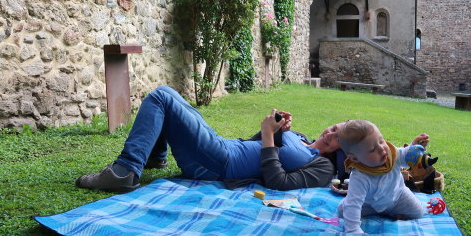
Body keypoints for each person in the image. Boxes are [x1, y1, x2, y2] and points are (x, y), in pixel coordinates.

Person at [76, 86, 345, 192]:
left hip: (220, 163)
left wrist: (268, 137)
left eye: (337, 138)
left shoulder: (322, 168)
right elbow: (257, 145)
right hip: (223, 147)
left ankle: (124, 172)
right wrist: (275, 129)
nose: (329, 133)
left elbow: (278, 181)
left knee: (161, 98)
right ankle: (154, 157)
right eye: (334, 127)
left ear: (341, 152)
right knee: (168, 94)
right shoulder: (302, 138)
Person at [335, 120, 428, 234]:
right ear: (354, 158)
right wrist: (353, 230)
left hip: (398, 196)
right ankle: (348, 202)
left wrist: (414, 148)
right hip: (369, 204)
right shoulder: (359, 176)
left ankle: (393, 213)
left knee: (418, 212)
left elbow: (405, 157)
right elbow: (354, 204)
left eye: (381, 141)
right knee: (344, 210)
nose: (382, 148)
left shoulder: (392, 155)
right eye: (372, 149)